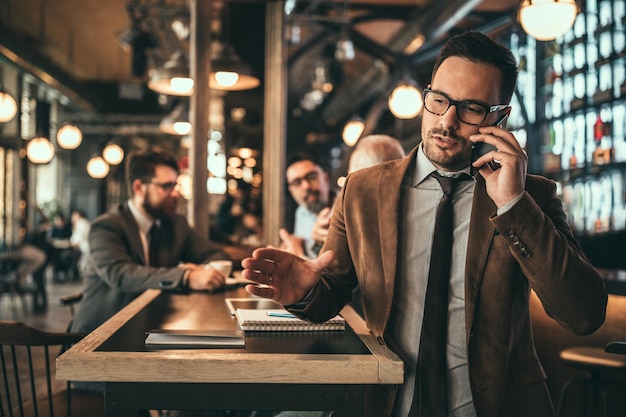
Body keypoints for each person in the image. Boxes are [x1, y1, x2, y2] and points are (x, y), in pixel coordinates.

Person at [242, 31, 608, 417]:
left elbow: (583, 315)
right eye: (439, 101)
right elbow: (331, 294)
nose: (446, 121)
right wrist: (304, 293)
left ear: (500, 117)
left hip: (496, 405)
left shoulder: (531, 196)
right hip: (389, 403)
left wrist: (514, 204)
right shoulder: (363, 191)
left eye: (470, 108)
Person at [70, 150, 230, 339]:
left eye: (176, 185)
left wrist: (203, 271)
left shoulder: (175, 225)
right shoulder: (106, 227)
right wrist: (186, 276)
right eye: (167, 186)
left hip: (151, 329)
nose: (176, 193)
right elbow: (121, 274)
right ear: (139, 187)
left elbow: (215, 255)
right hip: (99, 335)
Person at [279, 153, 332, 259]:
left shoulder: (346, 208)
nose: (306, 186)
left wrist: (299, 256)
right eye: (297, 182)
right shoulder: (302, 212)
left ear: (325, 178)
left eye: (312, 177)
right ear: (292, 191)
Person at [69, 210, 91, 274]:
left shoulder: (82, 223)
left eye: (73, 216)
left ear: (78, 216)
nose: (72, 218)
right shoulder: (81, 223)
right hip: (83, 248)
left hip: (85, 248)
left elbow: (77, 239)